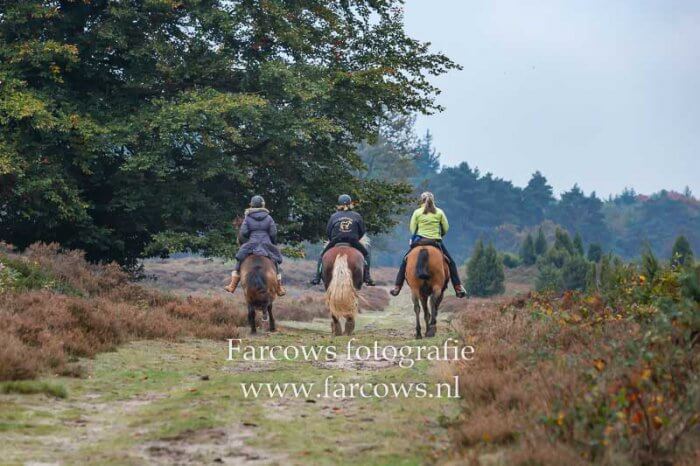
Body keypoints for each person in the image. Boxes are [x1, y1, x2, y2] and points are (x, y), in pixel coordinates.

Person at [390, 192, 466, 298]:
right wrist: (440, 234)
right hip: (435, 241)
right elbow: (446, 228)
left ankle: (397, 287)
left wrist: (417, 234)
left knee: (404, 261)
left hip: (420, 241)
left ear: (421, 200)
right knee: (451, 263)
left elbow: (412, 229)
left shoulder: (417, 212)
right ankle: (458, 287)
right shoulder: (439, 212)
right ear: (433, 200)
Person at [224, 195, 286, 296]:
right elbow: (273, 233)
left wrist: (247, 241)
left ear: (251, 205)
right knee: (274, 261)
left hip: (251, 243)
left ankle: (232, 285)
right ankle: (279, 287)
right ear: (263, 204)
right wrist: (272, 242)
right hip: (266, 243)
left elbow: (243, 232)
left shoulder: (248, 218)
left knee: (240, 259)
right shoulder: (269, 218)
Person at [310, 194, 375, 286]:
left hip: (336, 241)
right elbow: (362, 231)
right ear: (350, 203)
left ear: (338, 204)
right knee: (366, 255)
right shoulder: (357, 216)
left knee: (322, 256)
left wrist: (333, 239)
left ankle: (317, 278)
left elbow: (328, 231)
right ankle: (367, 277)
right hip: (352, 241)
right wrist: (356, 238)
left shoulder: (334, 216)